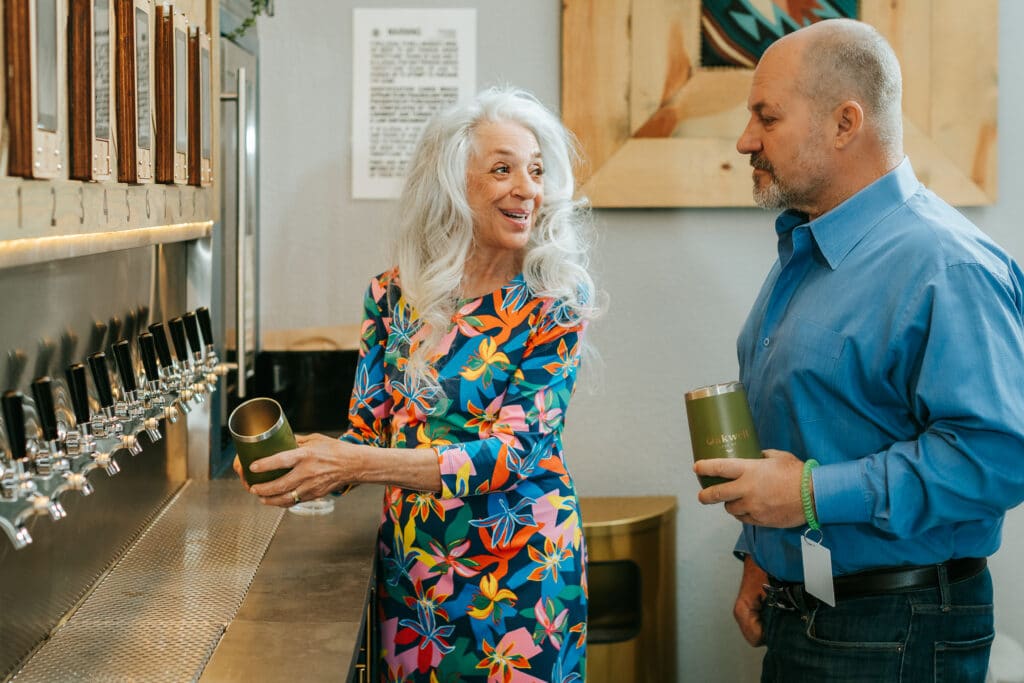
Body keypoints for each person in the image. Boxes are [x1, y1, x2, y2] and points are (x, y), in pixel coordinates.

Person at [694, 18, 1024, 682]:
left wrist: (812, 494)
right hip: (804, 608)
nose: (745, 139)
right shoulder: (807, 250)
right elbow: (810, 423)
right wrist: (762, 555)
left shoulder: (946, 266)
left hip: (898, 629)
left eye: (767, 116)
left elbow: (999, 455)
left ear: (846, 123)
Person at [235, 86, 597, 681]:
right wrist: (298, 465)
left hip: (521, 580)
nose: (526, 188)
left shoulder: (554, 302)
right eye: (502, 169)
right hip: (415, 572)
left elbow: (516, 451)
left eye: (534, 170)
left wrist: (354, 465)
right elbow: (368, 430)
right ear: (453, 183)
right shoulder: (393, 294)